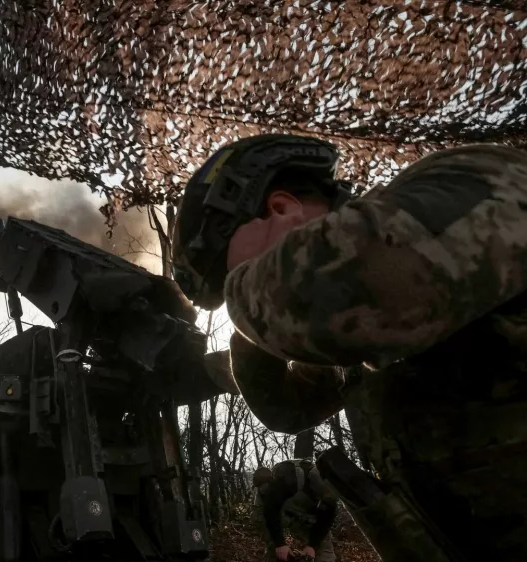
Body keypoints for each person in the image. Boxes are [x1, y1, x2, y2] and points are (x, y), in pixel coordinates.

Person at [170, 134, 527, 562]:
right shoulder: (355, 329)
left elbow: (354, 285)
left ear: (281, 208)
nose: (238, 298)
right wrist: (246, 337)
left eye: (239, 278)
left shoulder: (466, 176)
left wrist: (247, 294)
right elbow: (285, 408)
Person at [252, 460, 338, 562]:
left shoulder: (331, 494)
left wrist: (312, 545)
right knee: (276, 550)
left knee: (326, 555)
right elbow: (271, 510)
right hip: (278, 511)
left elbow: (325, 521)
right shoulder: (287, 479)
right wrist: (280, 544)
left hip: (307, 517)